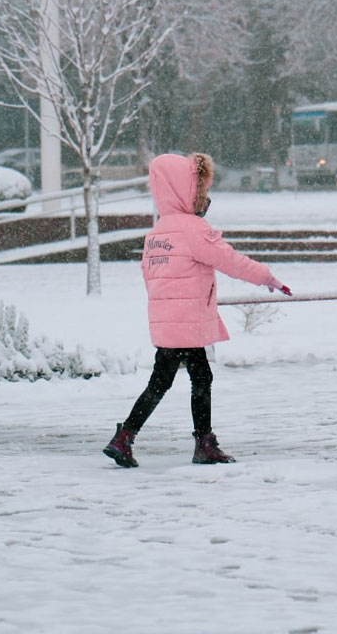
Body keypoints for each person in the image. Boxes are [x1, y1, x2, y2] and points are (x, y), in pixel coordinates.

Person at [104, 152, 291, 468]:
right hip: (187, 321)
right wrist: (267, 277)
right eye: (200, 192)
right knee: (195, 378)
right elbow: (231, 262)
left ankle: (131, 437)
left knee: (171, 379)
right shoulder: (193, 230)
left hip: (167, 321)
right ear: (186, 192)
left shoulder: (156, 234)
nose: (204, 199)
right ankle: (197, 443)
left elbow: (150, 277)